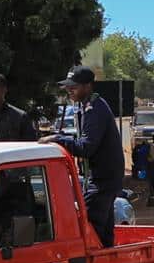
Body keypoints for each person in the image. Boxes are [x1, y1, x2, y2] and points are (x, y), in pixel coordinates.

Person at [53, 66, 126, 248]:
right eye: (68, 86)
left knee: (86, 225)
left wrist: (57, 140)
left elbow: (86, 147)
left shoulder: (94, 109)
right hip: (103, 178)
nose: (69, 90)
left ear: (88, 86)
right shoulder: (86, 106)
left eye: (74, 86)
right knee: (103, 232)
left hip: (102, 180)